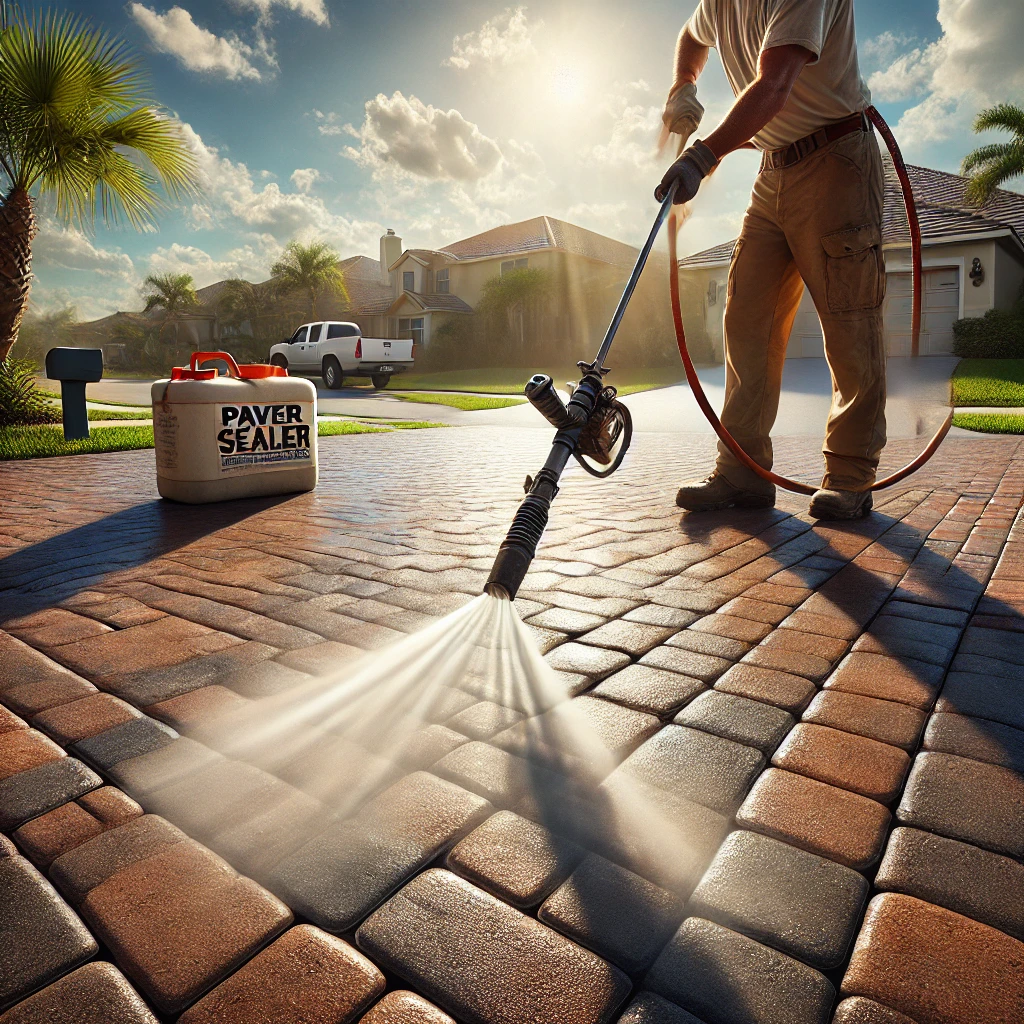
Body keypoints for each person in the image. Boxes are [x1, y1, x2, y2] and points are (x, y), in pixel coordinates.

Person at [657, 0, 886, 520]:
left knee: (849, 322)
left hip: (838, 158)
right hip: (772, 170)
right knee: (746, 318)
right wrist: (682, 85)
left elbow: (775, 84)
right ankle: (743, 473)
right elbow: (692, 37)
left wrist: (703, 154)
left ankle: (850, 478)